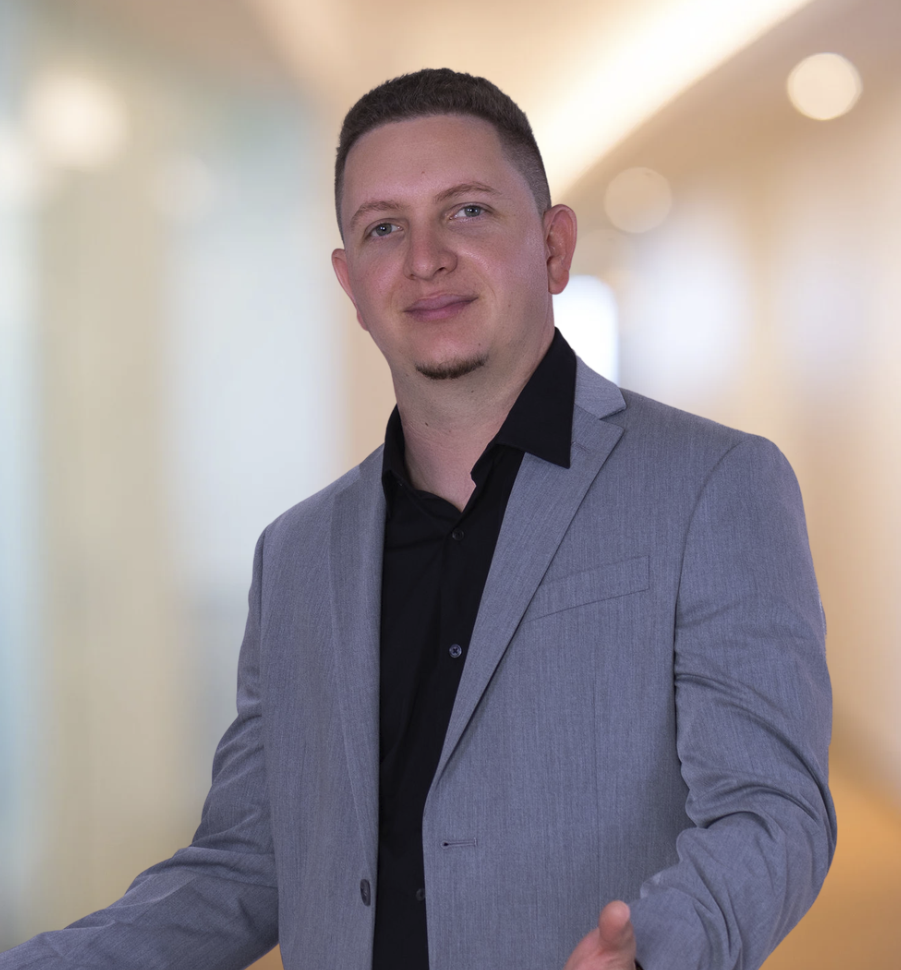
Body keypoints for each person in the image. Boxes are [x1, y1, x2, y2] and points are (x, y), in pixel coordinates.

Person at [0, 68, 835, 970]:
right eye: (383, 228)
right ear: (350, 282)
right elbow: (249, 863)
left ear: (554, 248)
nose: (425, 257)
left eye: (468, 211)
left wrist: (658, 950)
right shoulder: (296, 555)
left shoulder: (713, 484)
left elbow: (772, 809)